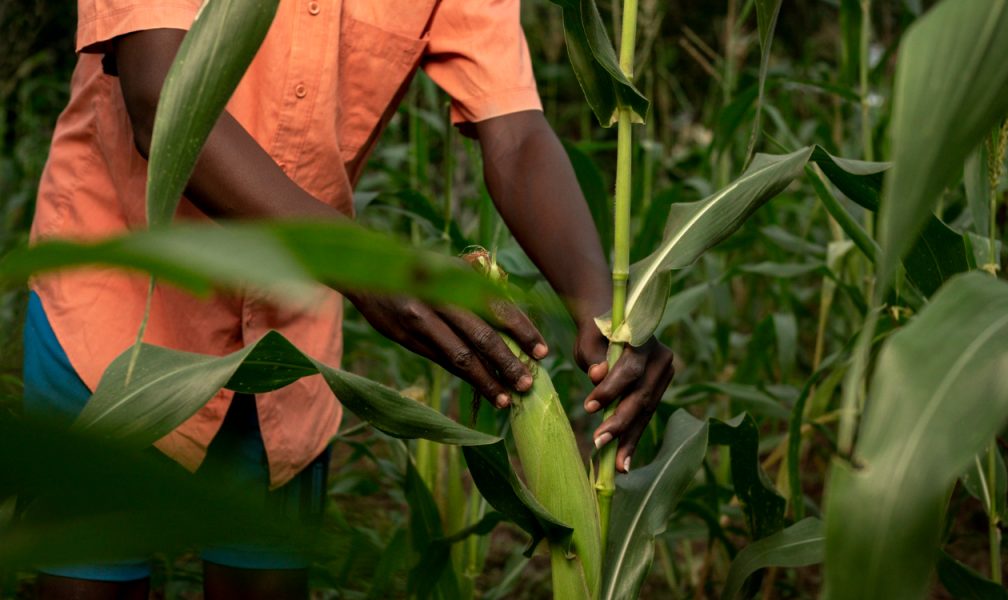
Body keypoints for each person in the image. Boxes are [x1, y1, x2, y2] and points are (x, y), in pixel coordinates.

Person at [25, 1, 674, 597]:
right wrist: (366, 266)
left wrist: (609, 308)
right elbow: (160, 93)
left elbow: (516, 132)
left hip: (285, 340)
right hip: (113, 307)